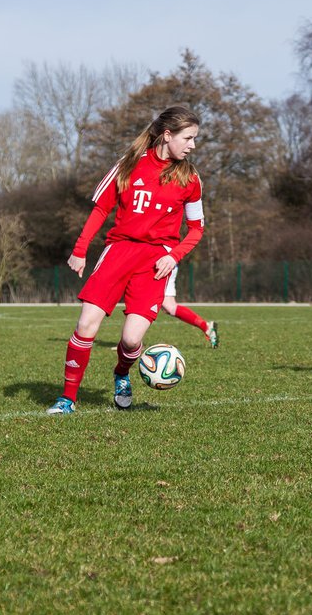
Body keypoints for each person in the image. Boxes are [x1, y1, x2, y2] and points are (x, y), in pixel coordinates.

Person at [48, 106, 206, 415]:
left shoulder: (190, 178)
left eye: (195, 139)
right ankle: (67, 400)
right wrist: (80, 250)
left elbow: (197, 230)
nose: (192, 146)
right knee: (85, 325)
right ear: (167, 135)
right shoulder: (128, 165)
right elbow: (100, 209)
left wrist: (173, 257)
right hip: (119, 251)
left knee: (132, 341)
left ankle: (121, 373)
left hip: (155, 262)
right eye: (188, 138)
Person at [161, 265, 218, 348]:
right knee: (169, 307)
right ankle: (206, 327)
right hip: (158, 263)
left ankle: (206, 327)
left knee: (169, 306)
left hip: (161, 264)